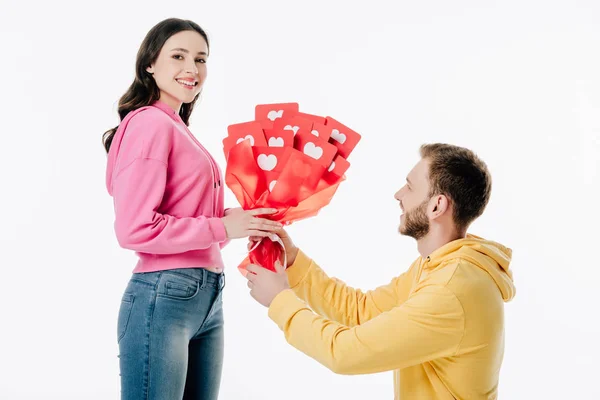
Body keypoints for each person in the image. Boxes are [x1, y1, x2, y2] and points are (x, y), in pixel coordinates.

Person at [245, 143, 516, 400]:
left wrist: (280, 300)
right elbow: (362, 311)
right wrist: (294, 262)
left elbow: (344, 353)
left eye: (410, 187)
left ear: (437, 206)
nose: (398, 194)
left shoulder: (451, 290)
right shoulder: (441, 266)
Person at [103, 18, 282, 400]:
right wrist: (222, 229)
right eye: (178, 56)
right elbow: (134, 229)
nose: (192, 69)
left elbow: (191, 215)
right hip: (165, 295)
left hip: (204, 295)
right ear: (150, 63)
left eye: (201, 59)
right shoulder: (150, 124)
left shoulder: (175, 125)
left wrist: (235, 220)